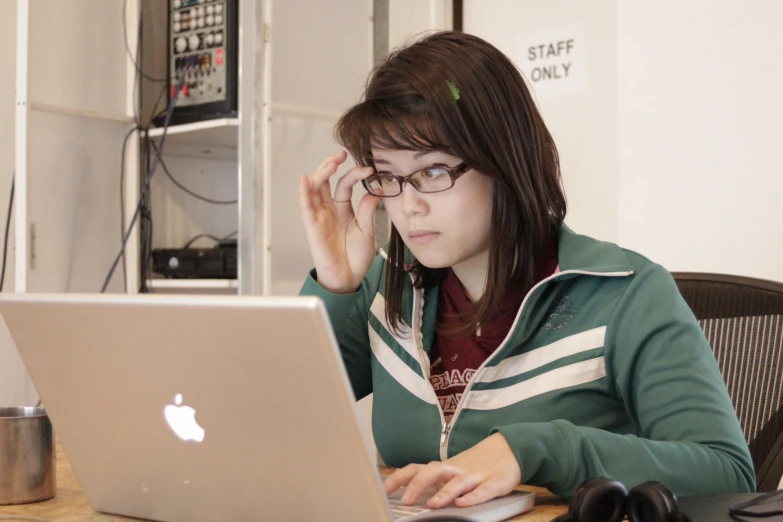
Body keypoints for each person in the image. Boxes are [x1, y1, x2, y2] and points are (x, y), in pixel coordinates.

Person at [297, 31, 754, 509]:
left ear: (505, 163)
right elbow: (276, 420)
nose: (407, 206)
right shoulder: (384, 289)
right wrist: (336, 286)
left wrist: (537, 449)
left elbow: (728, 473)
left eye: (432, 171)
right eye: (387, 176)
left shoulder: (626, 292)